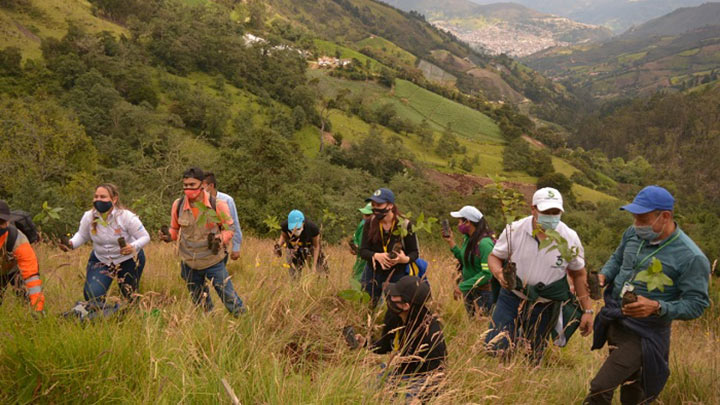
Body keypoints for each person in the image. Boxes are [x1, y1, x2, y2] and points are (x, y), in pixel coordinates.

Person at [584, 186, 710, 404]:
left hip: (645, 334)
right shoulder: (633, 234)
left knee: (600, 387)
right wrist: (604, 276)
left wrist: (658, 307)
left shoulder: (691, 257)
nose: (637, 224)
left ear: (665, 216)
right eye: (635, 218)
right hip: (617, 322)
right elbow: (617, 258)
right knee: (633, 389)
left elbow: (697, 304)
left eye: (642, 219)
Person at [484, 187, 594, 362]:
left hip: (543, 304)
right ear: (533, 209)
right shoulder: (515, 230)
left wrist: (587, 310)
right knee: (496, 346)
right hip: (512, 296)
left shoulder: (569, 238)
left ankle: (525, 381)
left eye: (555, 212)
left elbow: (579, 274)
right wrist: (499, 274)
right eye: (546, 212)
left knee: (533, 353)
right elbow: (495, 257)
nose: (551, 216)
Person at [164, 167, 246, 316]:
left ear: (202, 184)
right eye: (186, 185)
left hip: (213, 261)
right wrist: (168, 236)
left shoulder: (217, 204)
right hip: (189, 262)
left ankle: (242, 318)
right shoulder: (178, 205)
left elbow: (229, 228)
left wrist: (221, 238)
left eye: (192, 184)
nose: (188, 188)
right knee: (199, 298)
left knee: (228, 295)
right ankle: (208, 321)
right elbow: (174, 230)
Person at [356, 276, 446, 402]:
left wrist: (419, 398)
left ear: (406, 305)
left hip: (419, 379)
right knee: (368, 391)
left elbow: (436, 374)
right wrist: (366, 343)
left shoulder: (431, 334)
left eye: (394, 295)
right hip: (399, 370)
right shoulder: (394, 315)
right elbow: (386, 345)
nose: (389, 296)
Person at [60, 184, 149, 306]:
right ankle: (100, 314)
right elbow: (82, 235)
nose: (98, 200)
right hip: (101, 259)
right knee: (92, 295)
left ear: (114, 199)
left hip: (128, 259)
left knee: (129, 295)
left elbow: (145, 237)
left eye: (103, 197)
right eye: (96, 197)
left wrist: (132, 247)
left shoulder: (126, 217)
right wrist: (71, 244)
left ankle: (128, 313)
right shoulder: (89, 216)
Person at [358, 188, 419, 307]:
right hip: (373, 273)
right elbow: (363, 251)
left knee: (395, 307)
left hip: (397, 274)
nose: (375, 208)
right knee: (367, 306)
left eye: (379, 204)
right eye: (373, 204)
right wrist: (376, 256)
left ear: (390, 205)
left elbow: (414, 253)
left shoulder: (404, 224)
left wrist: (403, 259)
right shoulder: (369, 223)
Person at [442, 205, 495, 316]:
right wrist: (451, 242)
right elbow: (465, 260)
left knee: (481, 326)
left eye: (460, 221)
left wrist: (462, 287)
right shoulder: (469, 238)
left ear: (468, 222)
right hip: (470, 290)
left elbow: (486, 274)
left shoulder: (485, 244)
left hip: (482, 293)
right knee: (471, 324)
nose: (458, 225)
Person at [0, 200, 44, 313]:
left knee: (26, 301)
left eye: (1, 221)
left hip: (15, 270)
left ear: (8, 222)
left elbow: (31, 276)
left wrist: (37, 309)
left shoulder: (18, 240)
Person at [202, 172, 243, 261]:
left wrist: (236, 248)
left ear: (211, 186)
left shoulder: (227, 200)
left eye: (202, 187)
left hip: (220, 245)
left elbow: (234, 224)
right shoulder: (197, 201)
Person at [276, 210, 325, 278]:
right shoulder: (285, 226)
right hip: (294, 248)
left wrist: (314, 265)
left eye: (298, 228)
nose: (295, 230)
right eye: (292, 228)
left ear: (303, 223)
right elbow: (284, 236)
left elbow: (316, 246)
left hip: (310, 246)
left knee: (320, 271)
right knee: (295, 274)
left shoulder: (312, 228)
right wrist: (278, 246)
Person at [349, 203, 373, 289]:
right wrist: (354, 247)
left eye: (368, 215)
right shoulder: (363, 223)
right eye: (365, 214)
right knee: (357, 275)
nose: (365, 217)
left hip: (368, 256)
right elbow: (356, 238)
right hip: (361, 254)